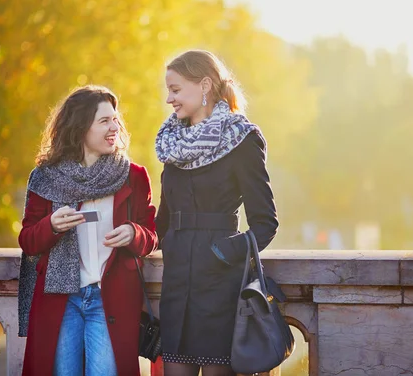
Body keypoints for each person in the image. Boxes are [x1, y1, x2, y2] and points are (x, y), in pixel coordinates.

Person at [17, 85, 158, 376]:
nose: (114, 127)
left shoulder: (133, 175)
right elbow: (28, 240)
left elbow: (151, 235)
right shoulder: (46, 177)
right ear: (80, 127)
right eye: (104, 121)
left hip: (111, 300)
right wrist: (52, 225)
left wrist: (134, 234)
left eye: (116, 119)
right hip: (61, 298)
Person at [155, 50, 279, 376]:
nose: (169, 99)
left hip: (220, 287)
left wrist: (225, 252)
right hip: (176, 283)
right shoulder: (172, 144)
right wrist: (133, 239)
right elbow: (162, 221)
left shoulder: (242, 138)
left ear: (205, 85)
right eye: (168, 90)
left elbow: (266, 222)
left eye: (176, 89)